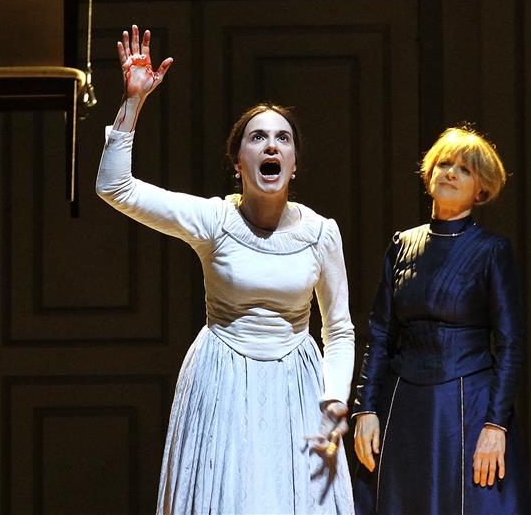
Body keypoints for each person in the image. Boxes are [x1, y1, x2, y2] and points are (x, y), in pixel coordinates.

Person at [96, 25, 355, 514]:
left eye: (282, 139)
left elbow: (338, 329)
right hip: (222, 379)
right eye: (258, 138)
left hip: (297, 387)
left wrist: (335, 399)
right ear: (238, 162)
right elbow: (115, 187)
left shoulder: (321, 233)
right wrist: (133, 103)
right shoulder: (214, 220)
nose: (271, 146)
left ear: (294, 164)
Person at [351, 126, 531, 514]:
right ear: (429, 173)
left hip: (467, 411)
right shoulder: (402, 244)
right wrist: (365, 409)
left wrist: (496, 425)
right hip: (402, 405)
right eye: (444, 164)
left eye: (465, 170)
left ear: (481, 189)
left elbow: (511, 346)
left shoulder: (492, 251)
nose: (450, 173)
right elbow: (380, 336)